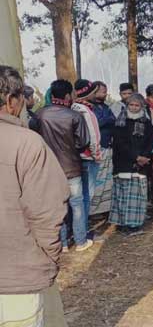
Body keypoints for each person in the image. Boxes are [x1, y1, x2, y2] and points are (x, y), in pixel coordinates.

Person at [0, 66, 71, 327]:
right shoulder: (27, 143)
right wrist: (46, 260)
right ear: (11, 101)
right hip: (17, 282)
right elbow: (49, 211)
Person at [35, 80, 93, 252]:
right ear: (68, 95)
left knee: (57, 205)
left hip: (49, 168)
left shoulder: (39, 115)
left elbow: (34, 137)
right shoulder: (74, 116)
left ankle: (64, 243)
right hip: (72, 167)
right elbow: (84, 142)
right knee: (77, 204)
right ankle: (81, 241)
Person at [110, 93, 153, 236]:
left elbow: (150, 141)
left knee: (137, 197)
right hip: (123, 164)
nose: (134, 108)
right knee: (122, 196)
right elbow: (119, 144)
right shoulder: (120, 122)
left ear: (142, 106)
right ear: (127, 105)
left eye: (137, 105)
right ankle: (122, 223)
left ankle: (134, 225)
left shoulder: (146, 123)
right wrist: (135, 157)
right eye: (131, 105)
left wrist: (144, 157)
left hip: (140, 166)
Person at [72, 79, 102, 241]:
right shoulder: (85, 110)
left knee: (77, 198)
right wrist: (97, 155)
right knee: (85, 197)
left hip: (75, 158)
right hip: (88, 158)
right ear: (88, 93)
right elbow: (93, 136)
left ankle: (78, 231)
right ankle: (82, 233)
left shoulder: (71, 108)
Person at [91, 81, 117, 215]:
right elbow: (95, 124)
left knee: (107, 180)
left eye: (105, 91)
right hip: (97, 149)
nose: (105, 94)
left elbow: (114, 121)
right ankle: (93, 210)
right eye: (102, 91)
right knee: (97, 179)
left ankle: (104, 209)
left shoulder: (106, 108)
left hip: (108, 147)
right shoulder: (90, 108)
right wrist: (107, 121)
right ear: (94, 92)